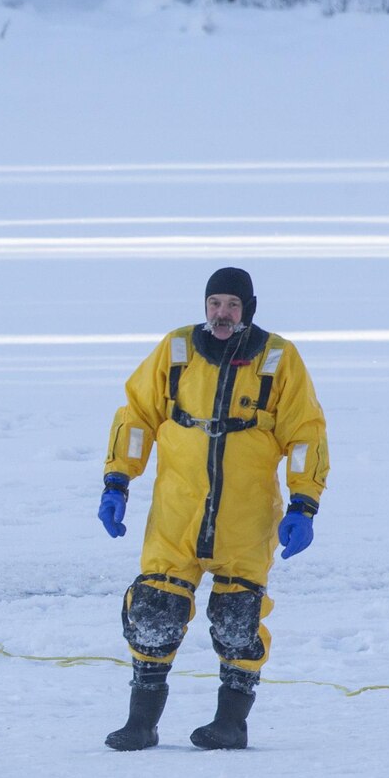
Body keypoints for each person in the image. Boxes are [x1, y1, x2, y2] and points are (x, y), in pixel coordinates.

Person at [99, 266, 330, 751]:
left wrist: (303, 504)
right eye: (214, 304)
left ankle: (230, 723)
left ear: (247, 309)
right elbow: (137, 415)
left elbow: (305, 433)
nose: (221, 314)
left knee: (237, 616)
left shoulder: (279, 358)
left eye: (231, 305)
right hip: (176, 510)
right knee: (155, 610)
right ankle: (140, 723)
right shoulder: (176, 350)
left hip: (244, 516)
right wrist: (117, 480)